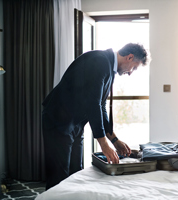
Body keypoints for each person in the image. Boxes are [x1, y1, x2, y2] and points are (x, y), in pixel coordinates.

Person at [42, 43, 149, 190]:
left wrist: (114, 140)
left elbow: (101, 106)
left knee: (76, 172)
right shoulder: (99, 61)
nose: (131, 72)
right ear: (129, 57)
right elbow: (93, 104)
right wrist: (104, 144)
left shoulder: (109, 68)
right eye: (134, 67)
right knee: (59, 176)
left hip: (76, 124)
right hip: (58, 121)